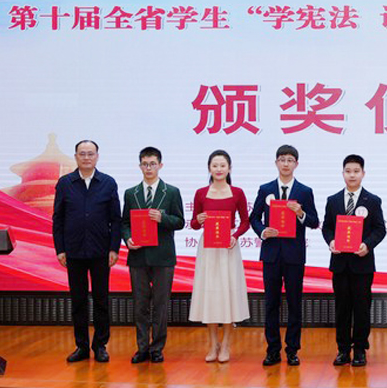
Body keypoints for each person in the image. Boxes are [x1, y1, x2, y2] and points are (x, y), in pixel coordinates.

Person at [249, 145, 319, 366]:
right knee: (271, 303)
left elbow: (314, 221)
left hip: (294, 256)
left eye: (290, 160)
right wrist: (262, 231)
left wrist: (301, 213)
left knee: (294, 303)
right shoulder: (265, 189)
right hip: (271, 254)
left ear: (296, 164)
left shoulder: (305, 191)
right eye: (282, 159)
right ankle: (272, 350)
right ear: (276, 163)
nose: (286, 164)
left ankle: (292, 350)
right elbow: (254, 217)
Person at [52, 140, 121, 363]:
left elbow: (116, 219)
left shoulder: (108, 183)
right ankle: (81, 346)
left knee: (101, 300)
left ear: (97, 156)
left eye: (90, 154)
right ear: (76, 157)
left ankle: (100, 345)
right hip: (73, 251)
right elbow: (58, 219)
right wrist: (60, 249)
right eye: (82, 154)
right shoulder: (65, 183)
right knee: (78, 301)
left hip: (101, 251)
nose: (86, 157)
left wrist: (114, 248)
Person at [121, 147, 185, 364]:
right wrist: (127, 238)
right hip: (138, 256)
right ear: (140, 166)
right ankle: (142, 348)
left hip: (163, 257)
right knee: (140, 305)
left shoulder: (172, 192)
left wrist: (162, 218)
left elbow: (180, 221)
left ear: (160, 165)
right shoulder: (131, 193)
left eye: (153, 164)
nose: (149, 168)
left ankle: (157, 348)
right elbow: (124, 223)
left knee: (160, 305)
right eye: (145, 164)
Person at [322, 154, 386, 367]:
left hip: (362, 264)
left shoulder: (373, 200)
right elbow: (326, 227)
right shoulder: (332, 200)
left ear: (363, 174)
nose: (352, 175)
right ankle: (342, 350)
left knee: (361, 308)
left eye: (356, 171)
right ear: (342, 173)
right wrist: (331, 241)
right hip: (340, 263)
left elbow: (380, 229)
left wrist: (367, 244)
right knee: (342, 308)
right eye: (348, 171)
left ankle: (359, 349)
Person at [188, 150, 250, 363]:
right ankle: (213, 343)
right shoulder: (201, 193)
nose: (219, 169)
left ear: (229, 168)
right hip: (208, 248)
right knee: (210, 294)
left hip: (228, 248)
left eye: (223, 165)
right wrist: (199, 219)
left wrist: (235, 236)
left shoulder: (237, 193)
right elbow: (194, 224)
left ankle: (226, 345)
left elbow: (245, 221)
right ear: (209, 168)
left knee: (227, 295)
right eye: (215, 165)